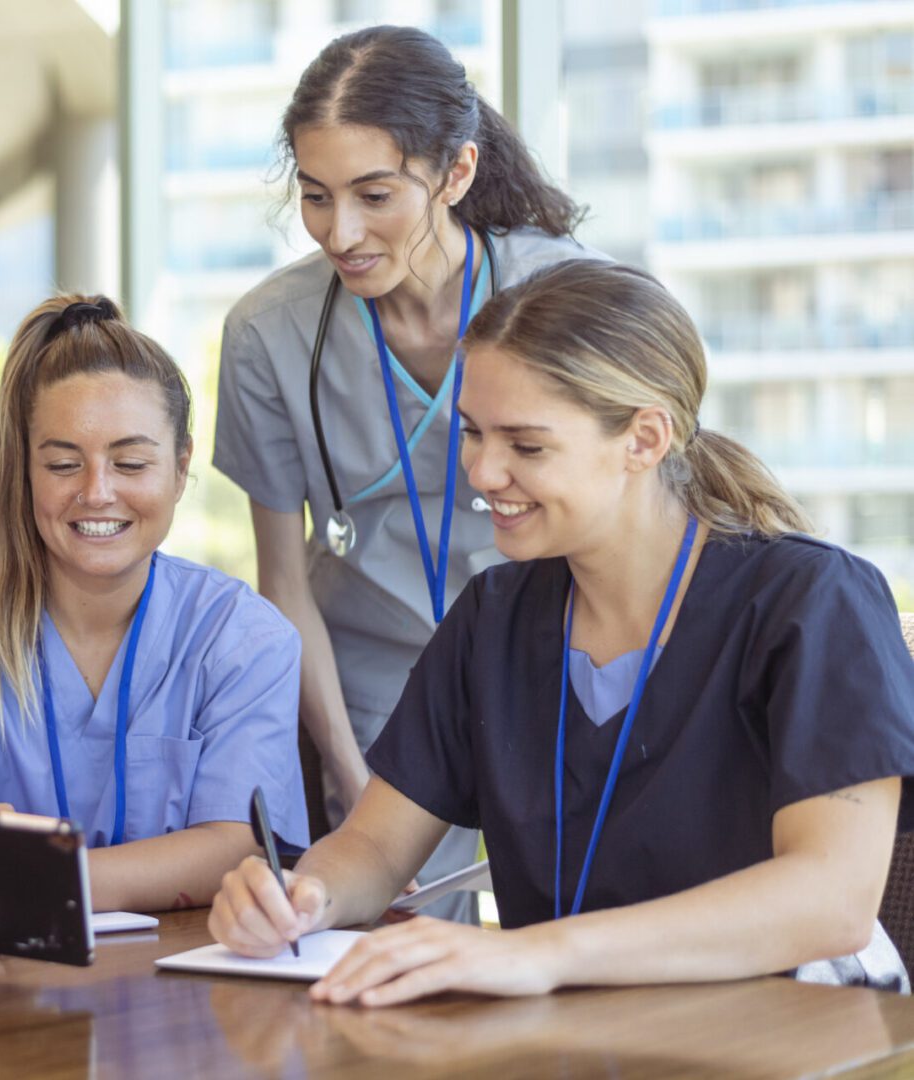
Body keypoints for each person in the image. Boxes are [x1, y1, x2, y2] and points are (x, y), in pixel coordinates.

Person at [209, 260, 914, 1002]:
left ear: (644, 439)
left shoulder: (814, 600)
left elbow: (831, 902)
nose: (482, 471)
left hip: (795, 1025)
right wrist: (302, 896)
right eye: (474, 434)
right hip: (567, 1029)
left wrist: (543, 954)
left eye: (526, 445)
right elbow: (377, 846)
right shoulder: (495, 615)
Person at [214, 24, 608, 919]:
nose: (340, 233)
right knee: (377, 977)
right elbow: (284, 580)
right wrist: (353, 774)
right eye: (315, 197)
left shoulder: (563, 298)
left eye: (375, 195)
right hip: (367, 694)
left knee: (576, 956)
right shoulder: (268, 337)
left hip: (550, 665)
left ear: (456, 173)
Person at [0, 295, 309, 993]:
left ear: (181, 466)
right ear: (25, 467)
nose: (97, 493)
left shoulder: (243, 639)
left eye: (131, 463)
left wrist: (32, 871)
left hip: (194, 1005)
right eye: (63, 463)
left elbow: (234, 850)